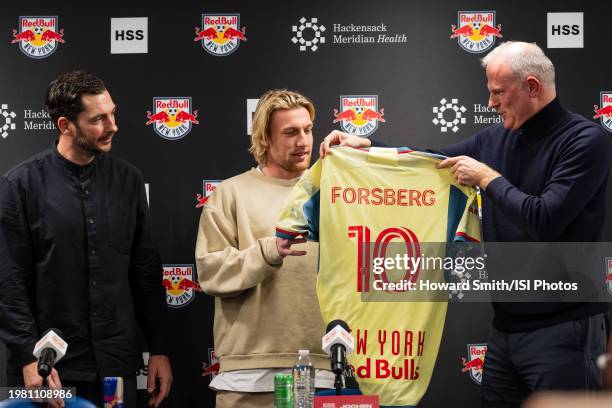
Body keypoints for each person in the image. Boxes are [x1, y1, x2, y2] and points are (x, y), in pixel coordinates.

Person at [320, 41, 611, 406]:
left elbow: (545, 220)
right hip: (506, 328)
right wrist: (367, 145)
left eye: (498, 93)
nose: (490, 103)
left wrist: (488, 177)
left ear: (532, 87)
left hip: (565, 328)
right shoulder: (496, 136)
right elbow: (431, 161)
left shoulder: (585, 140)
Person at [0, 71, 172, 407]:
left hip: (115, 368)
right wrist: (26, 355)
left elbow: (145, 273)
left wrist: (160, 349)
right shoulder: (20, 185)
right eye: (98, 119)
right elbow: (9, 281)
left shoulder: (128, 180)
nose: (113, 126)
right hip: (49, 370)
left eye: (112, 113)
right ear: (66, 125)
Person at [195, 89, 333, 407]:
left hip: (322, 369)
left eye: (308, 130)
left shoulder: (335, 193)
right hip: (246, 376)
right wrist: (268, 251)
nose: (303, 141)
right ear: (265, 139)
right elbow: (211, 273)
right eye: (290, 132)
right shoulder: (230, 194)